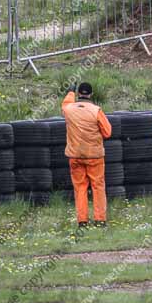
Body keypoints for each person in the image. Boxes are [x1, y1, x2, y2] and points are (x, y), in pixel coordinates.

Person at [61, 82, 112, 229]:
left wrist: (70, 92)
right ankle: (100, 220)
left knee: (80, 188)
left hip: (75, 156)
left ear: (78, 94)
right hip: (94, 156)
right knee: (97, 187)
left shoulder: (68, 109)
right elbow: (108, 132)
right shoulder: (96, 111)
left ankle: (82, 221)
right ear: (91, 94)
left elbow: (66, 102)